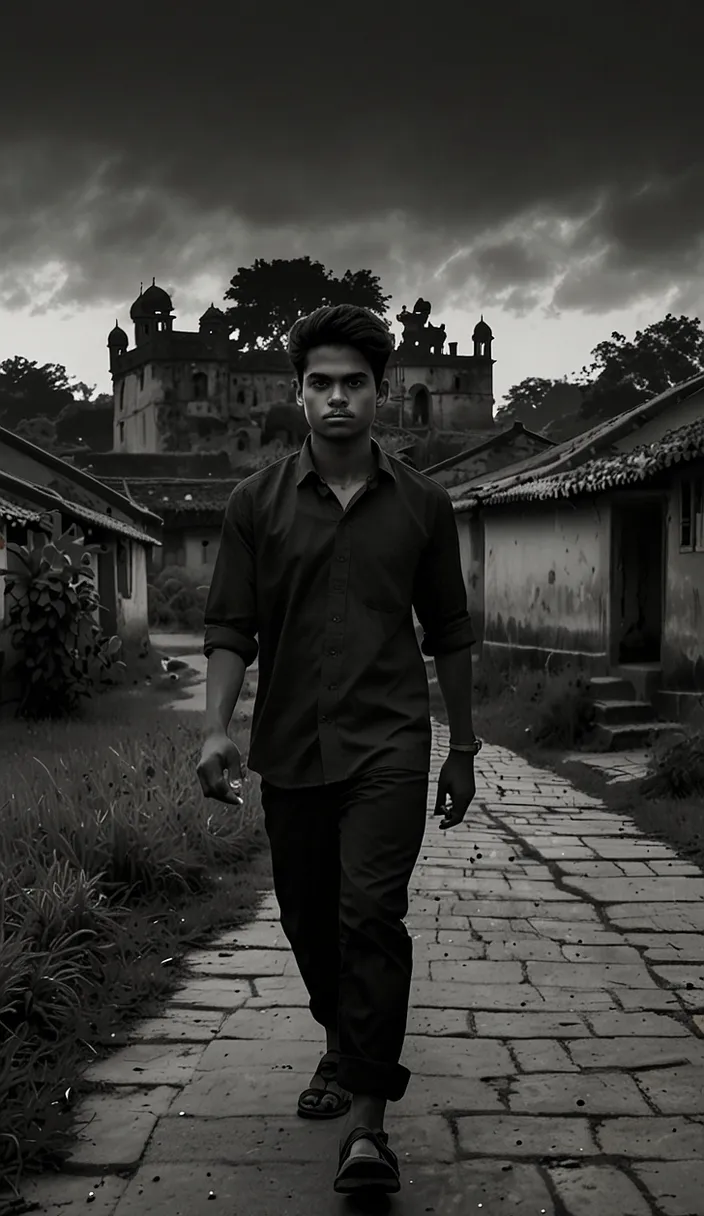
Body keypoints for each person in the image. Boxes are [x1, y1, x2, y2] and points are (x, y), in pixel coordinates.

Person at [196, 303, 480, 1195]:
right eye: (320, 383)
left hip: (390, 740)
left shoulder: (424, 507)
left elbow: (451, 632)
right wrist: (215, 728)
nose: (337, 398)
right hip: (290, 744)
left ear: (380, 394)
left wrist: (463, 746)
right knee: (310, 922)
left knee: (371, 917)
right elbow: (231, 628)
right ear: (298, 394)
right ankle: (339, 1038)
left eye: (354, 382)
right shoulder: (255, 505)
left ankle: (369, 1125)